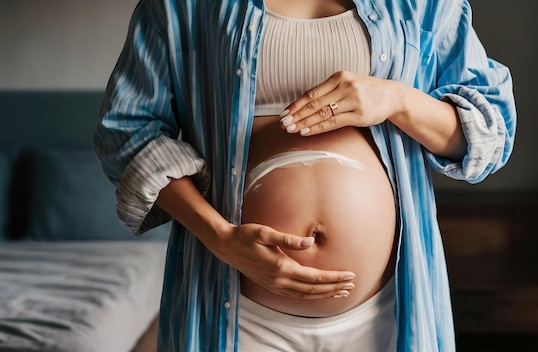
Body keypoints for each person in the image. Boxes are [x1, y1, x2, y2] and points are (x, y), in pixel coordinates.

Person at [93, 0, 516, 350]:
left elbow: (490, 131)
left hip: (386, 310)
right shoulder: (181, 5)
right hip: (237, 306)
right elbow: (129, 129)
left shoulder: (427, 5)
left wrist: (396, 100)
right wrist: (220, 238)